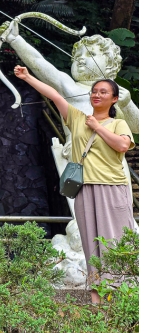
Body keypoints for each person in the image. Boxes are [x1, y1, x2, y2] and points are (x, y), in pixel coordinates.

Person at [13, 66, 134, 304]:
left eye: (103, 92)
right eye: (94, 91)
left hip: (112, 187)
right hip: (85, 188)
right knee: (90, 241)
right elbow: (55, 95)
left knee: (114, 241)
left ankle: (120, 295)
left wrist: (98, 127)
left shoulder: (118, 124)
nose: (96, 95)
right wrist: (27, 77)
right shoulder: (78, 118)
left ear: (114, 98)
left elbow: (122, 146)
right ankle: (96, 297)